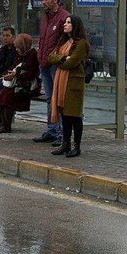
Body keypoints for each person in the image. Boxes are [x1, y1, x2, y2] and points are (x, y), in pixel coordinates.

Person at [47, 15, 89, 157]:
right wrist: (64, 58)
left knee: (74, 115)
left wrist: (61, 60)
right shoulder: (63, 40)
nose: (65, 24)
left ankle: (76, 146)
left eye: (68, 22)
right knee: (64, 114)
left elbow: (72, 63)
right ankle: (65, 144)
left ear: (75, 25)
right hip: (61, 81)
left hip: (73, 83)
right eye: (65, 22)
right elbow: (50, 57)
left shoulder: (81, 43)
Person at [33, 0, 70, 145]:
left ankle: (62, 132)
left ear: (55, 0)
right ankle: (52, 130)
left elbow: (66, 41)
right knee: (49, 99)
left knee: (59, 98)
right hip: (44, 63)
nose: (43, 2)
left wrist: (58, 58)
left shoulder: (64, 17)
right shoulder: (45, 17)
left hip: (56, 64)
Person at [0, 33, 39, 134]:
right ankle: (3, 122)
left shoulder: (33, 55)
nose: (17, 50)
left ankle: (6, 125)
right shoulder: (19, 54)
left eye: (18, 48)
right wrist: (9, 74)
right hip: (15, 82)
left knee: (7, 98)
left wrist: (16, 76)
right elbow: (14, 66)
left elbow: (32, 74)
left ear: (24, 46)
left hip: (25, 85)